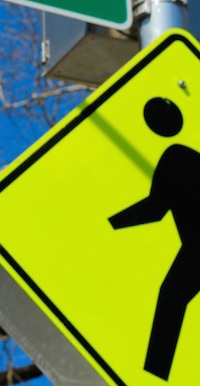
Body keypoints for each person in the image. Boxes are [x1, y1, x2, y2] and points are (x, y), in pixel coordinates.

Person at [109, 97, 200, 381]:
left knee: (171, 297)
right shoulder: (181, 156)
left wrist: (110, 223)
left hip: (197, 249)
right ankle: (155, 374)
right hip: (194, 249)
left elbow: (153, 210)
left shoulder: (175, 157)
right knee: (171, 296)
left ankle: (155, 374)